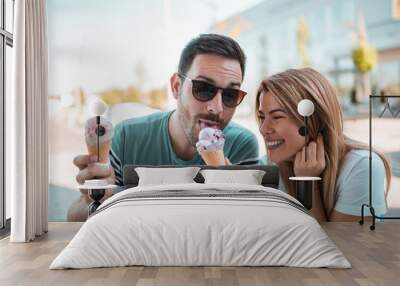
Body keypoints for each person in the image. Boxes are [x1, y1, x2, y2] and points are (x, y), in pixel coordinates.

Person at [69, 34, 259, 221]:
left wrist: (227, 182)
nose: (217, 108)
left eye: (230, 95)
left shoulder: (243, 145)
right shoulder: (127, 137)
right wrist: (94, 198)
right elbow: (76, 218)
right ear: (176, 86)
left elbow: (247, 224)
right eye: (204, 89)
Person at [255, 68, 391, 222]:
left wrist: (307, 182)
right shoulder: (268, 166)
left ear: (314, 120)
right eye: (261, 117)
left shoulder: (363, 167)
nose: (263, 128)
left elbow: (338, 245)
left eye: (277, 117)